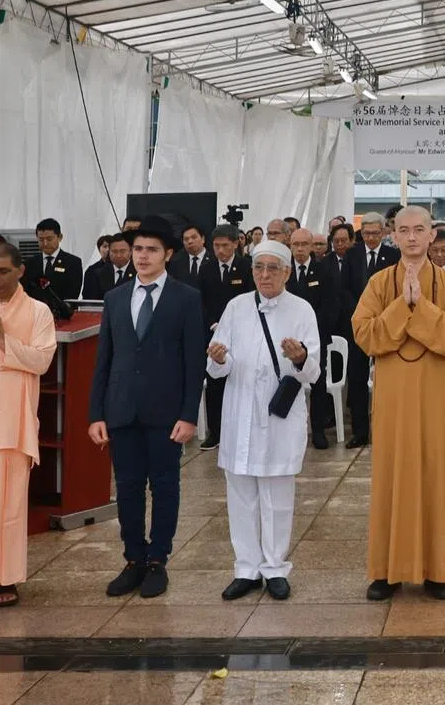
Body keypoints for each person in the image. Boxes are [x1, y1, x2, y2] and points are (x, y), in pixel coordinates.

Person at [352, 206, 445, 601]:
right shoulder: (379, 282)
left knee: (438, 475)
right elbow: (365, 335)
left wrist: (423, 306)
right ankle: (387, 571)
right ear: (393, 235)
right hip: (394, 400)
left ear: (433, 234)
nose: (413, 237)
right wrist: (403, 305)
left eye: (420, 229)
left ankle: (438, 571)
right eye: (404, 230)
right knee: (392, 477)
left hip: (437, 398)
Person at [88, 216, 206, 599]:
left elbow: (194, 362)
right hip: (122, 410)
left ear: (167, 254)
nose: (142, 256)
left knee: (165, 486)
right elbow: (104, 361)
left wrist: (189, 414)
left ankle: (157, 560)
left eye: (151, 249)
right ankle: (133, 559)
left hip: (166, 413)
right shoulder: (115, 298)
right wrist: (96, 414)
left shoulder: (186, 298)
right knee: (128, 488)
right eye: (137, 248)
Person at [206, 240, 321, 602]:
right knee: (241, 495)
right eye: (259, 267)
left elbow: (313, 372)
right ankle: (246, 568)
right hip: (240, 412)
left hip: (277, 417)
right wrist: (218, 358)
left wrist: (300, 357)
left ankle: (275, 568)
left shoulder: (302, 309)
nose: (265, 275)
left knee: (277, 497)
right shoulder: (236, 307)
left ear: (287, 272)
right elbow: (217, 367)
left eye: (273, 268)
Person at [0, 243, 56, 609]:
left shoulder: (38, 312)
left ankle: (6, 580)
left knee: (9, 507)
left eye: (3, 271)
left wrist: (3, 339)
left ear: (20, 271)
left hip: (12, 424)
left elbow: (42, 361)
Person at [340, 212, 400, 449]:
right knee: (356, 379)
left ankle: (389, 430)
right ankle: (360, 431)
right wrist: (362, 313)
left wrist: (383, 316)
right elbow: (344, 289)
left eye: (375, 233)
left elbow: (397, 289)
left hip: (387, 325)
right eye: (366, 233)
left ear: (384, 232)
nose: (371, 238)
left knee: (388, 379)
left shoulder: (393, 256)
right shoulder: (352, 255)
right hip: (360, 327)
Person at [198, 225, 254, 452]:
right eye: (216, 246)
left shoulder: (247, 267)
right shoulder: (207, 269)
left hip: (242, 334)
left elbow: (251, 300)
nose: (220, 250)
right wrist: (213, 324)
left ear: (236, 243)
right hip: (214, 334)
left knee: (241, 381)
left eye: (225, 245)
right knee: (214, 383)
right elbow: (201, 301)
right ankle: (216, 432)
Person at [285, 228, 338, 450]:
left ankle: (318, 430)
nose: (299, 249)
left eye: (304, 244)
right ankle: (287, 429)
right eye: (295, 244)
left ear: (311, 246)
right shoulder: (284, 271)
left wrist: (310, 328)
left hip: (316, 337)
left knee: (317, 381)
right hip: (287, 337)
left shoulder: (324, 270)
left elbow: (331, 305)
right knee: (286, 379)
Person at [25, 218, 83, 301]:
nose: (45, 243)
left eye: (49, 239)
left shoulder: (72, 262)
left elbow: (72, 294)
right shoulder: (30, 263)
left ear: (60, 237)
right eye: (41, 239)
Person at [85, 233, 135, 301]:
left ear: (131, 251)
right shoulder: (98, 274)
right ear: (109, 252)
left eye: (122, 251)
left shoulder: (139, 273)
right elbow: (91, 302)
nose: (118, 255)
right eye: (114, 251)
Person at [169, 225, 209, 289]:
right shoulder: (175, 261)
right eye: (186, 239)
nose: (190, 241)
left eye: (194, 237)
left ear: (203, 239)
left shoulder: (215, 259)